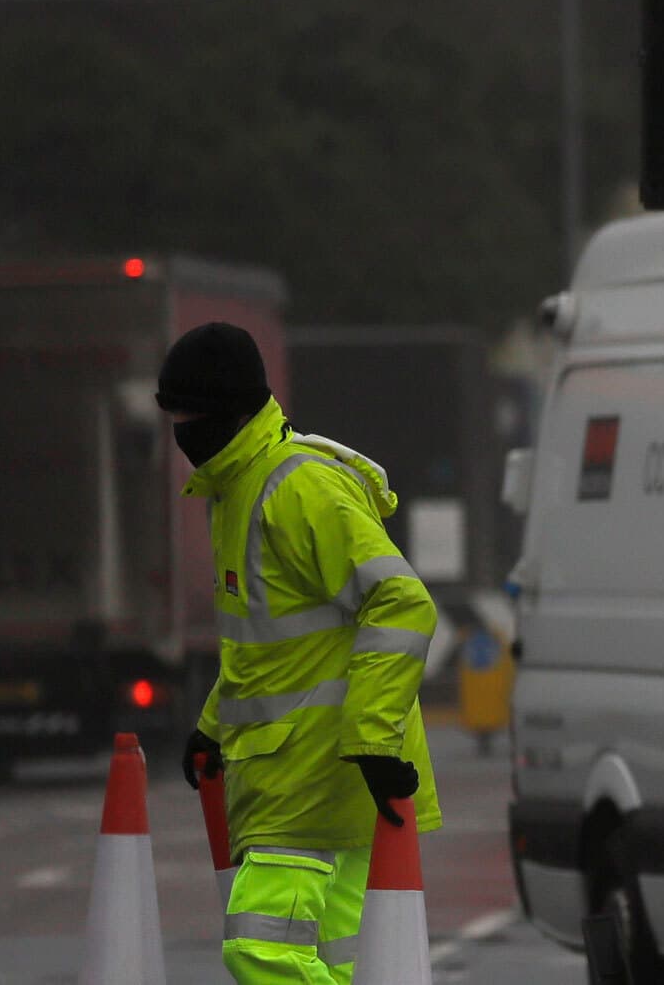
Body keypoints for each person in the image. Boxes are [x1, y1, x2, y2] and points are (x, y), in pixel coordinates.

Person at [161, 322, 441, 984]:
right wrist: (215, 724)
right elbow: (270, 647)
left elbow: (403, 603)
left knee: (260, 949)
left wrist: (372, 738)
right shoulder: (238, 489)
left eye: (190, 415)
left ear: (231, 412)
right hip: (313, 773)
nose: (181, 431)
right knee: (347, 961)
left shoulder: (297, 488)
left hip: (315, 777)